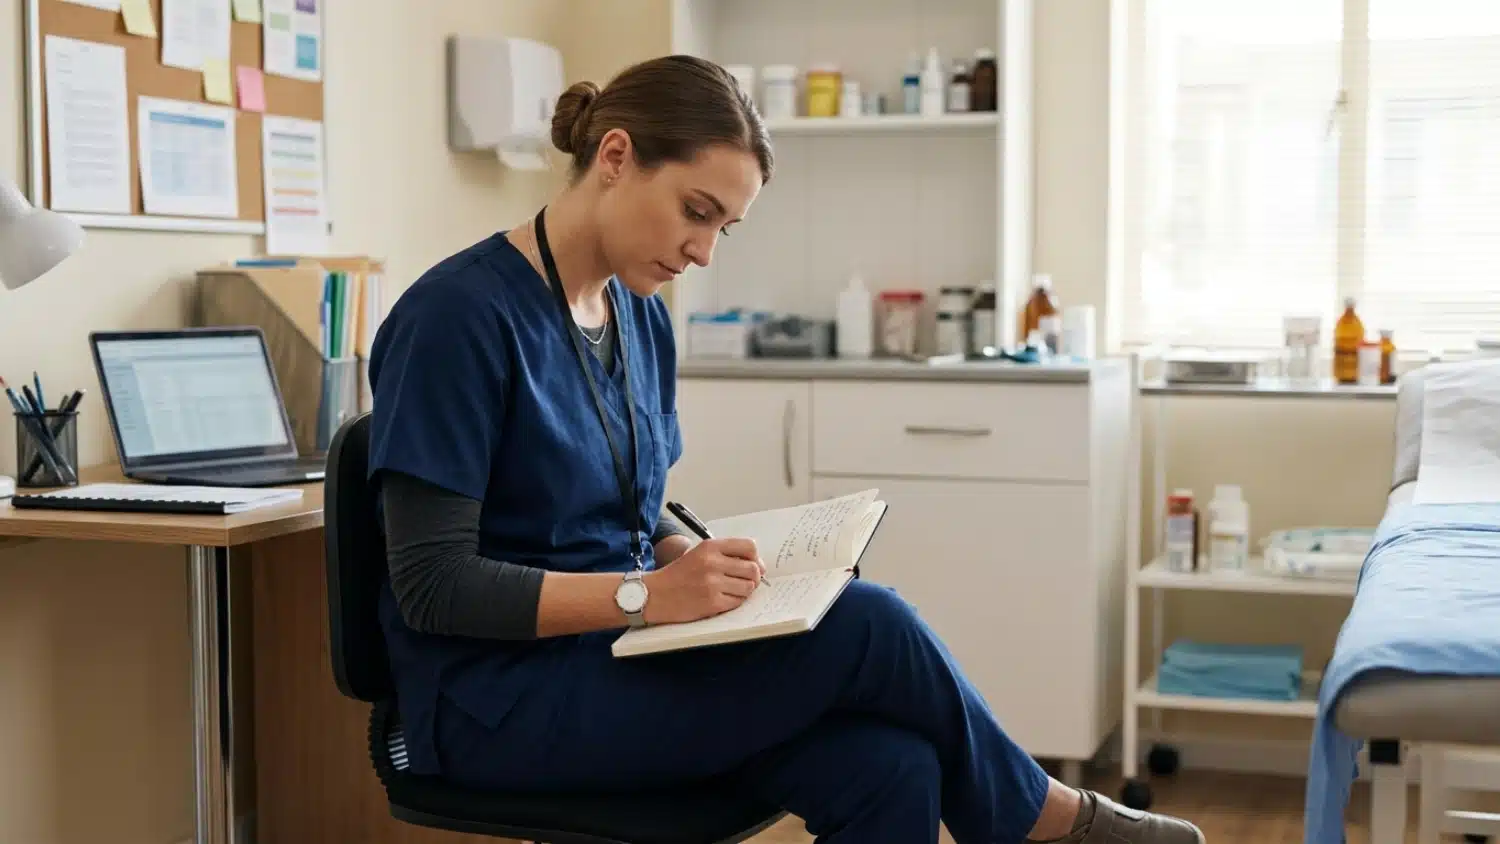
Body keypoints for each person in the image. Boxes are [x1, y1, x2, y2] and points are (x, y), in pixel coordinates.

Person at [366, 54, 1206, 844]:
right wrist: (647, 596)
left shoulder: (637, 312)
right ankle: (1039, 817)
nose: (702, 250)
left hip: (621, 661)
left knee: (893, 768)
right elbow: (435, 587)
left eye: (724, 229)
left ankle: (1026, 814)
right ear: (615, 156)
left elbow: (625, 495)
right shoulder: (458, 319)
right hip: (496, 703)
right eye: (697, 211)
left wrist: (699, 565)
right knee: (869, 619)